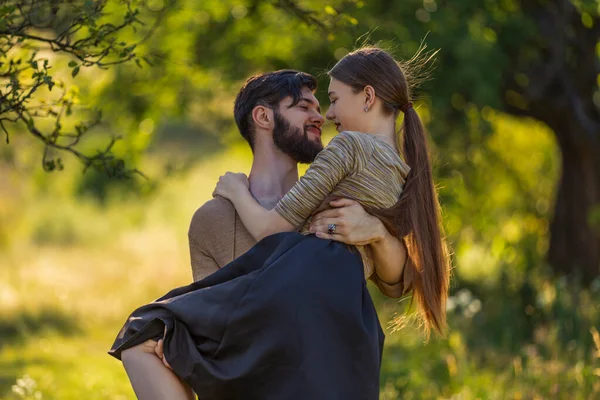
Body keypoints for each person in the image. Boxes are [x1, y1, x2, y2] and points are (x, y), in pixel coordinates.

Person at [110, 47, 451, 399]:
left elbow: (397, 281)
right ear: (263, 116)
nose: (325, 115)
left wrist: (376, 233)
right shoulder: (397, 171)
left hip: (314, 313)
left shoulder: (344, 164)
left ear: (367, 97)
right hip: (314, 325)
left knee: (145, 330)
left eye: (329, 102)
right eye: (306, 107)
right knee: (156, 336)